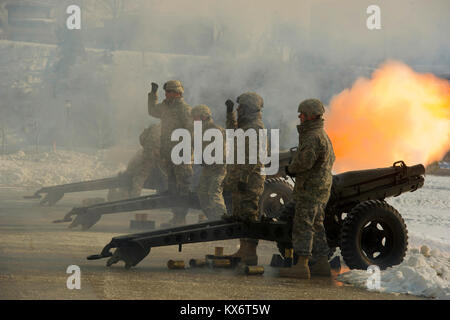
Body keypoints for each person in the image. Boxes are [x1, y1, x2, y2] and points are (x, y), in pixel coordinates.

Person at [279, 98, 335, 279]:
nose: (299, 117)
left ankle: (302, 266)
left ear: (311, 116)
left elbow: (305, 162)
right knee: (317, 226)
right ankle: (321, 264)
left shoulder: (312, 137)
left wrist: (290, 169)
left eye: (302, 114)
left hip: (309, 189)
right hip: (320, 189)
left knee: (303, 225)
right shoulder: (323, 135)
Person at [224, 93, 266, 266]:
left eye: (240, 107)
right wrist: (229, 113)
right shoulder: (245, 127)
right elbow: (231, 132)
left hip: (250, 181)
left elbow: (255, 158)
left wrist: (243, 178)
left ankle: (250, 253)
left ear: (248, 108)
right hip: (241, 179)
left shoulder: (255, 129)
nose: (238, 109)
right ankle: (243, 249)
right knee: (240, 215)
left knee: (249, 215)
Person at [148, 80, 193, 226]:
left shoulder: (184, 109)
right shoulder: (165, 107)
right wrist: (153, 94)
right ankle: (176, 217)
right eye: (165, 92)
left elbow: (192, 131)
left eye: (168, 92)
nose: (165, 94)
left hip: (181, 154)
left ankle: (181, 219)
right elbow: (152, 111)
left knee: (182, 187)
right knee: (172, 186)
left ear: (177, 93)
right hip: (168, 153)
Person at [191, 105, 227, 221]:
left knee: (214, 193)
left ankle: (222, 219)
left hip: (218, 168)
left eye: (195, 118)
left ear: (203, 117)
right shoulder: (200, 130)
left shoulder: (215, 130)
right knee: (202, 193)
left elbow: (222, 153)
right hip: (208, 168)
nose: (193, 120)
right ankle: (213, 218)